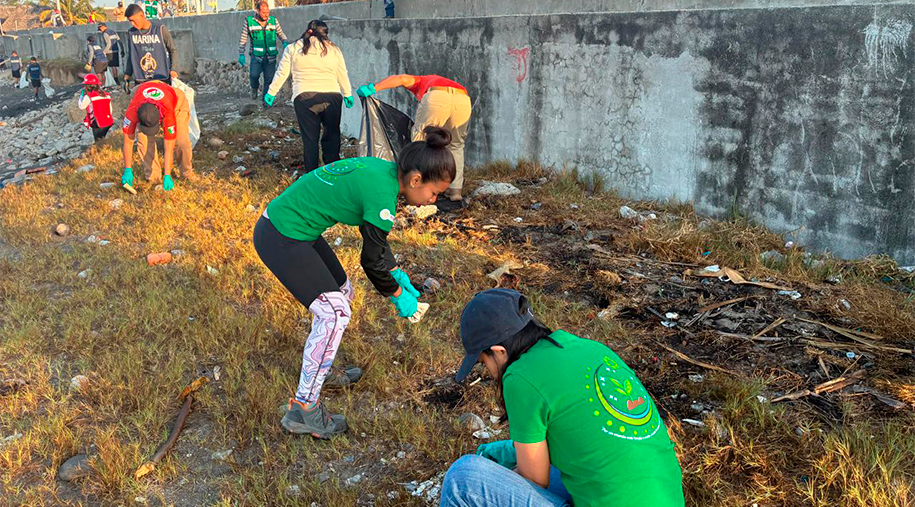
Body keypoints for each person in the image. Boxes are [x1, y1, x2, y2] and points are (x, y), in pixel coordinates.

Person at [253, 127, 455, 438]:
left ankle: (322, 369)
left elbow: (375, 242)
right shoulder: (382, 194)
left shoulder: (384, 171)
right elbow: (371, 261)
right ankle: (304, 409)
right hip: (281, 235)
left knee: (342, 293)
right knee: (334, 313)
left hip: (297, 230)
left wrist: (395, 271)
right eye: (434, 193)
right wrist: (397, 292)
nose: (434, 199)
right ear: (415, 180)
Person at [439, 289, 685, 507]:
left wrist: (498, 478)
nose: (491, 373)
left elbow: (535, 479)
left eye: (484, 363)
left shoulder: (519, 377)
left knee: (464, 478)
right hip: (667, 498)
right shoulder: (594, 350)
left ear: (499, 351)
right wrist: (506, 452)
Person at [357, 74, 471, 203]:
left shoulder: (421, 80)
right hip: (463, 99)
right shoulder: (446, 81)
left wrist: (374, 88)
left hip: (437, 96)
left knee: (421, 140)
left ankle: (419, 185)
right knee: (456, 145)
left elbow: (401, 79)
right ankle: (455, 191)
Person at [265, 20, 353, 173]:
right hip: (331, 97)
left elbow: (282, 73)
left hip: (304, 98)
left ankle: (312, 176)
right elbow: (342, 73)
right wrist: (347, 94)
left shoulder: (293, 48)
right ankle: (333, 173)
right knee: (332, 135)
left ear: (308, 31)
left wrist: (271, 92)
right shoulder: (334, 49)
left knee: (310, 139)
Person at [121, 80, 197, 191]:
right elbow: (128, 142)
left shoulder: (168, 113)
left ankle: (186, 173)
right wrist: (127, 169)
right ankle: (153, 177)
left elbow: (168, 148)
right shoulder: (133, 111)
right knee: (144, 140)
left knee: (181, 141)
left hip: (174, 101)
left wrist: (167, 175)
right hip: (142, 91)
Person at [238, 0, 288, 101]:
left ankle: (265, 102)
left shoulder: (273, 21)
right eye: (264, 12)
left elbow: (280, 33)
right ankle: (254, 88)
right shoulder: (249, 21)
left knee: (269, 80)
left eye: (267, 12)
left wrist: (285, 41)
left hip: (270, 56)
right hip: (256, 56)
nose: (266, 15)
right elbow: (243, 38)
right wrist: (241, 53)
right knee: (254, 75)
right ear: (257, 11)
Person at [123, 4, 177, 90]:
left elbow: (172, 50)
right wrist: (127, 75)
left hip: (161, 77)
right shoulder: (131, 33)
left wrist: (173, 69)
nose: (133, 24)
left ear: (142, 15)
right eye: (130, 21)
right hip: (141, 79)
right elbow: (131, 55)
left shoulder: (160, 29)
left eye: (134, 20)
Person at [78, 74, 114, 144]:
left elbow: (81, 106)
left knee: (98, 142)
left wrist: (82, 95)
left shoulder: (89, 96)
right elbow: (110, 109)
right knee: (103, 139)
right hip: (107, 121)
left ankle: (101, 152)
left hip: (97, 123)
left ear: (87, 86)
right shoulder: (106, 94)